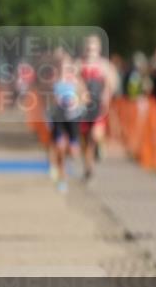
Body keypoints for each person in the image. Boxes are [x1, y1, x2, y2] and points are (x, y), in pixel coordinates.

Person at [78, 35, 117, 181]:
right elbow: (75, 82)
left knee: (95, 135)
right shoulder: (79, 64)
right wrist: (80, 92)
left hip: (99, 106)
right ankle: (89, 167)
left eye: (93, 48)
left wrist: (107, 94)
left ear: (98, 49)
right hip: (84, 107)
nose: (90, 51)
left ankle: (99, 147)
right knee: (85, 139)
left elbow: (111, 83)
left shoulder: (104, 65)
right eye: (88, 48)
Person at [48, 55, 89, 193]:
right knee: (60, 147)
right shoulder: (54, 81)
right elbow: (49, 99)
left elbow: (85, 98)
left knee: (73, 152)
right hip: (59, 119)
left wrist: (77, 102)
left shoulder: (77, 81)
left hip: (73, 118)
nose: (64, 69)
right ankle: (62, 178)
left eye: (67, 66)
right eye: (62, 66)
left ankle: (69, 162)